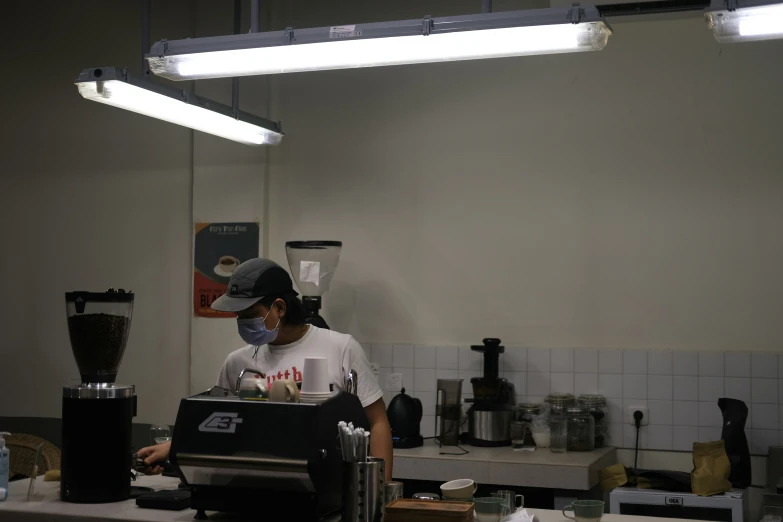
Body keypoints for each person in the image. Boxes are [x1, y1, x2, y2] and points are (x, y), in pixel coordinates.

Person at [138, 258, 393, 479]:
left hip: (327, 487)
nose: (241, 322)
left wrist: (381, 492)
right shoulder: (237, 363)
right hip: (254, 485)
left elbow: (378, 422)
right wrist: (172, 447)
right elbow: (214, 425)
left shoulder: (341, 349)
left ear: (280, 307)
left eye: (249, 313)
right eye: (238, 316)